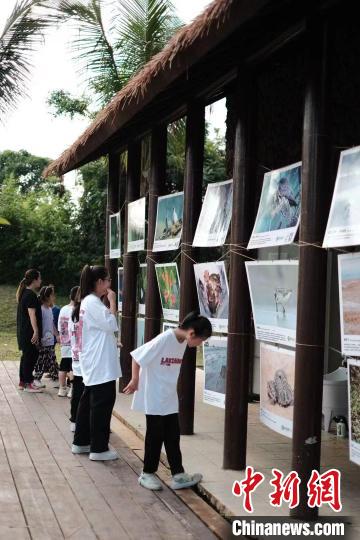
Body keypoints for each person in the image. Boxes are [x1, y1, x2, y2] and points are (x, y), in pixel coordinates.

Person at [124, 311, 212, 491]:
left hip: (169, 396)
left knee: (173, 435)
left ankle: (178, 474)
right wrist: (135, 380)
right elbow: (137, 357)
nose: (200, 345)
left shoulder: (182, 342)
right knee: (155, 436)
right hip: (154, 395)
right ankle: (147, 474)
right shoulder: (164, 339)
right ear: (192, 333)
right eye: (201, 341)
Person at [71, 265, 121, 461]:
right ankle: (99, 449)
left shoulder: (88, 301)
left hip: (94, 361)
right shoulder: (93, 302)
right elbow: (111, 324)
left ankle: (81, 442)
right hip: (100, 363)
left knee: (88, 402)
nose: (109, 284)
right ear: (99, 282)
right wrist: (112, 301)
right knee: (102, 405)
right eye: (107, 280)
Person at [16, 269, 43, 392]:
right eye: (39, 278)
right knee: (30, 356)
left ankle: (23, 381)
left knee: (26, 356)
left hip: (24, 332)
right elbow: (32, 315)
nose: (41, 280)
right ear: (34, 280)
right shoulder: (30, 295)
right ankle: (28, 383)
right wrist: (36, 332)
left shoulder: (25, 293)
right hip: (29, 333)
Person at [33, 286, 59, 386]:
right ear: (48, 296)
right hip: (43, 340)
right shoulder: (41, 309)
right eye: (52, 294)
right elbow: (38, 324)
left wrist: (56, 335)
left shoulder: (49, 309)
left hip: (50, 340)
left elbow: (52, 324)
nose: (54, 296)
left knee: (52, 360)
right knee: (42, 360)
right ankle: (36, 378)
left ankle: (56, 378)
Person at [57, 287, 78, 398]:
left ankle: (62, 388)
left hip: (64, 342)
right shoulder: (77, 310)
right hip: (74, 343)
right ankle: (72, 389)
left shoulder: (63, 309)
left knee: (63, 367)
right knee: (72, 368)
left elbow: (60, 325)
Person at [68, 287, 84, 432]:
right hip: (84, 360)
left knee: (76, 390)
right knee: (82, 393)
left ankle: (74, 419)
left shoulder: (72, 312)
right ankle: (78, 421)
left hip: (76, 357)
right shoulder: (84, 313)